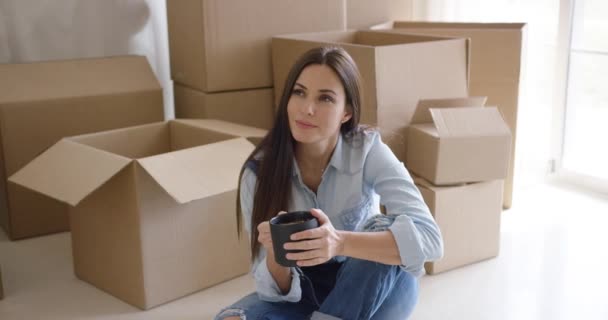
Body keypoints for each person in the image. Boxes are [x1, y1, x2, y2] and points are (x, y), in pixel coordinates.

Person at [215, 46, 443, 320]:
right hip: (305, 291)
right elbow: (272, 292)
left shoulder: (368, 151)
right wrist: (277, 255)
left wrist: (338, 243)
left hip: (373, 285)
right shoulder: (259, 172)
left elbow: (431, 241)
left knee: (385, 228)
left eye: (325, 98)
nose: (307, 109)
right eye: (299, 93)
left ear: (346, 111)